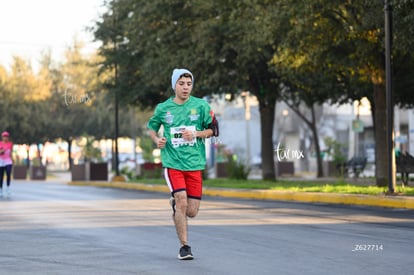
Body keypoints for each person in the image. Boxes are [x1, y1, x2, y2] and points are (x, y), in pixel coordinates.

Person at [147, 68, 219, 260]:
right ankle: (184, 247)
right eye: (181, 84)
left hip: (194, 164)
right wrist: (157, 140)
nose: (186, 87)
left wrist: (196, 133)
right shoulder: (163, 108)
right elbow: (152, 129)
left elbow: (213, 130)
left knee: (192, 212)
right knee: (182, 201)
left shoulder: (201, 106)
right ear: (174, 86)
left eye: (189, 84)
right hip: (173, 163)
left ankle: (176, 206)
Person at [0, 131, 14, 197]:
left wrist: (12, 159)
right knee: (1, 176)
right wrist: (2, 151)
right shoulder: (0, 143)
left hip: (8, 161)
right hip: (1, 161)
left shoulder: (10, 144)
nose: (5, 138)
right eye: (4, 136)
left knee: (8, 173)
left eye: (6, 136)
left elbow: (11, 152)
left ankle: (8, 188)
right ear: (2, 137)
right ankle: (1, 189)